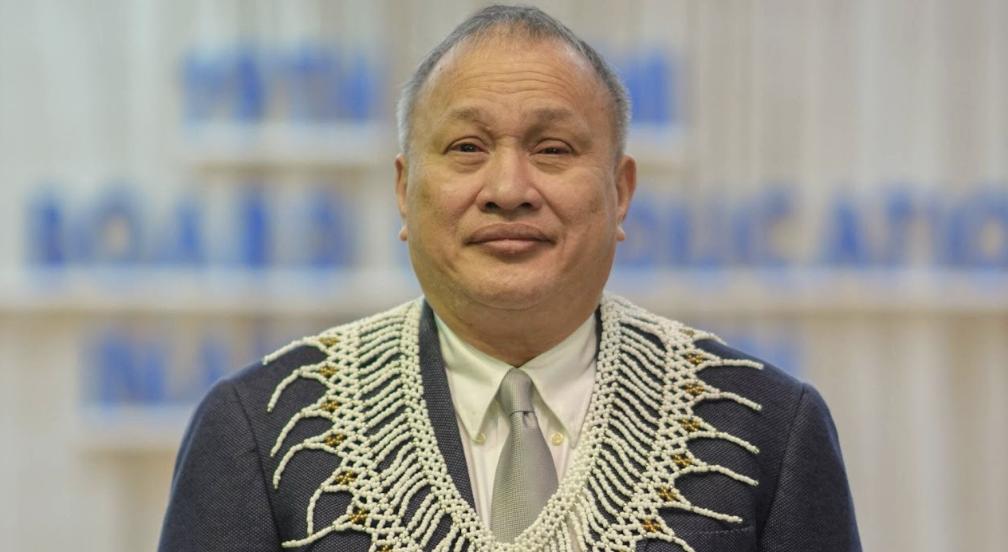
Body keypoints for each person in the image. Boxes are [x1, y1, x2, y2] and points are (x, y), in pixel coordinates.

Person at [158, 5, 861, 551]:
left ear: (621, 191)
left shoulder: (766, 428)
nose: (508, 189)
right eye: (467, 147)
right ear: (404, 190)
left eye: (552, 149)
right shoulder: (265, 428)